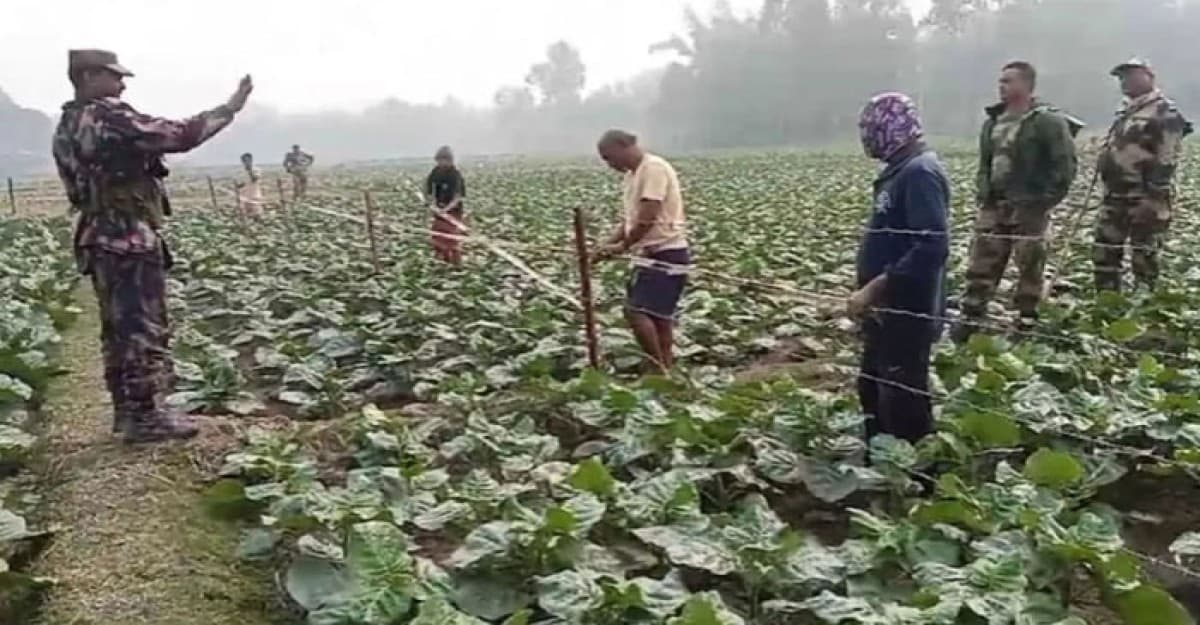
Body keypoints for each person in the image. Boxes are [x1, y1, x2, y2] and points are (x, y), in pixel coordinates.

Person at [52, 49, 252, 443]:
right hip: (127, 236)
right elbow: (179, 135)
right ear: (88, 76)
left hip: (96, 236)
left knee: (117, 329)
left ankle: (127, 412)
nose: (122, 85)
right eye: (114, 77)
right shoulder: (109, 116)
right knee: (143, 326)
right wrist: (229, 109)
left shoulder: (67, 123)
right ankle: (145, 416)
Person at [849, 93, 950, 445]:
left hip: (908, 308)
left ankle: (914, 468)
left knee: (902, 397)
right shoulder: (901, 170)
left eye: (871, 128)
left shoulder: (919, 173)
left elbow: (931, 245)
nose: (866, 137)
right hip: (887, 308)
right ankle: (879, 460)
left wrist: (876, 286)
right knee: (873, 387)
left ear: (892, 127)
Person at [954, 61, 1081, 340]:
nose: (1001, 86)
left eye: (1008, 81)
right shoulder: (993, 122)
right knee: (981, 261)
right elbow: (985, 163)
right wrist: (983, 191)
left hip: (1029, 206)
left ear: (1026, 85)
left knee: (1030, 265)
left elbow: (1065, 166)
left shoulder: (1047, 122)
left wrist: (1043, 202)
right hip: (994, 204)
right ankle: (972, 315)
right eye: (1001, 81)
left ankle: (1026, 320)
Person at [593, 130, 690, 373]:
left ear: (623, 147)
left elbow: (648, 216)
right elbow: (630, 220)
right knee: (658, 316)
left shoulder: (653, 168)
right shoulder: (632, 176)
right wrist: (606, 246)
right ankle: (664, 368)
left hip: (666, 252)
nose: (609, 164)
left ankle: (657, 365)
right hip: (649, 253)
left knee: (636, 311)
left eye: (609, 157)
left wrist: (622, 246)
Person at [1094, 58, 1192, 292]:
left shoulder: (1164, 112)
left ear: (1149, 76)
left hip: (1145, 197)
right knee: (1104, 251)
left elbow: (1166, 158)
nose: (1125, 82)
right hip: (1115, 195)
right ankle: (1107, 300)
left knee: (1144, 255)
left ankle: (1144, 303)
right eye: (1121, 77)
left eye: (1131, 75)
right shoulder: (1126, 111)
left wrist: (1153, 197)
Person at [425, 146, 466, 265]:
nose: (441, 163)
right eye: (439, 161)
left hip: (453, 211)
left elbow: (458, 197)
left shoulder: (455, 175)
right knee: (438, 237)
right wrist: (429, 201)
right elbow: (428, 188)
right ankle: (442, 262)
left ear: (449, 160)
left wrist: (446, 210)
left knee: (451, 239)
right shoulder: (436, 172)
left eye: (444, 160)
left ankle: (456, 264)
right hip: (439, 209)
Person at [235, 152, 265, 217]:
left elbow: (254, 179)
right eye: (245, 161)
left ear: (251, 160)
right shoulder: (240, 172)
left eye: (248, 160)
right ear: (242, 162)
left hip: (255, 196)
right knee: (245, 215)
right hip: (244, 197)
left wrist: (250, 170)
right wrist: (238, 186)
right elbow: (240, 184)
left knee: (257, 215)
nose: (247, 162)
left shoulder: (257, 170)